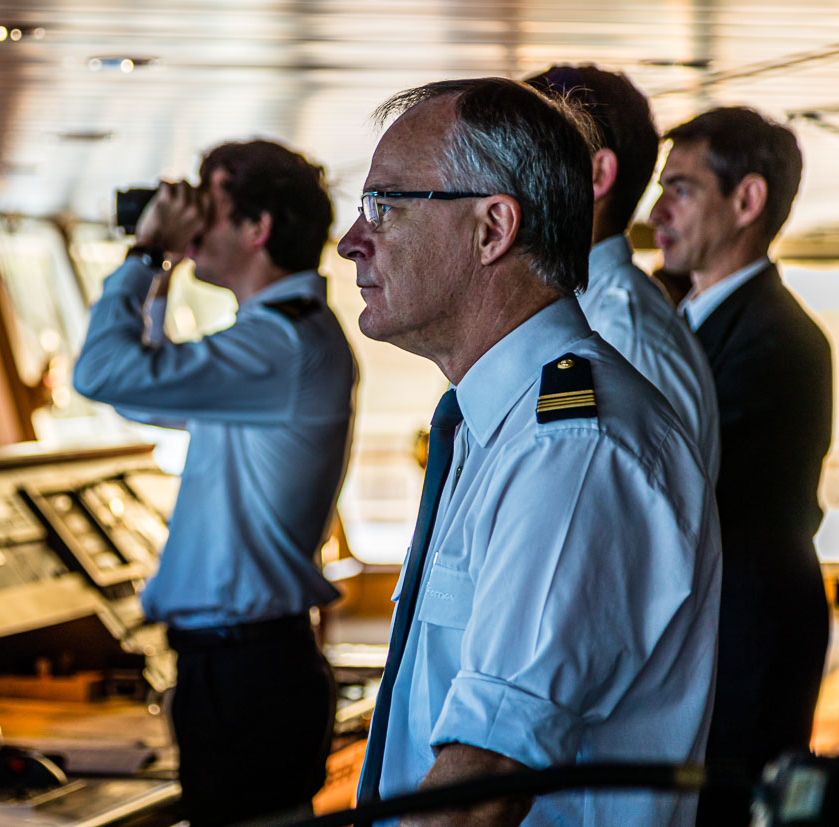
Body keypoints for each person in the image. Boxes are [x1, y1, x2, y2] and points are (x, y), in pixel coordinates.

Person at [337, 77, 721, 825]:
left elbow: (482, 787)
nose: (354, 239)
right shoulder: (497, 426)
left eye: (385, 205)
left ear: (493, 228)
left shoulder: (570, 450)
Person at [72, 139, 357, 825]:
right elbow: (138, 390)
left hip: (249, 669)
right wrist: (162, 267)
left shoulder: (279, 345)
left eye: (212, 204)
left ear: (257, 228)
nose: (194, 220)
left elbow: (102, 373)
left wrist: (147, 256)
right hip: (239, 663)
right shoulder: (272, 342)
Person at [650, 107, 833, 823]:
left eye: (682, 189)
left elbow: (682, 484)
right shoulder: (685, 322)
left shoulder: (781, 342)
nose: (659, 210)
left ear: (747, 201)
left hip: (745, 638)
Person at [525, 64, 720, 480]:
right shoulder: (586, 313)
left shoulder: (625, 336)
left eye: (527, 154)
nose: (501, 177)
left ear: (596, 175)